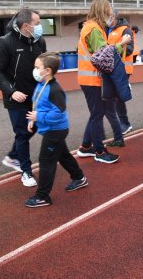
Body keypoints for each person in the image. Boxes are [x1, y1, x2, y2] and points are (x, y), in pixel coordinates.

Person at [0, 9, 47, 187]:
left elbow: (43, 66)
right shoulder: (4, 43)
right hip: (16, 97)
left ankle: (13, 156)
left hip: (36, 95)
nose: (40, 27)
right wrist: (11, 91)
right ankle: (26, 171)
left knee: (33, 127)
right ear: (25, 26)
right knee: (22, 132)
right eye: (37, 23)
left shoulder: (40, 41)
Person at [25, 53, 88, 207]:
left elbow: (58, 112)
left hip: (56, 131)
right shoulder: (42, 84)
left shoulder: (55, 90)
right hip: (50, 129)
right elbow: (39, 104)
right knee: (63, 155)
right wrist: (33, 120)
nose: (34, 70)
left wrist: (39, 117)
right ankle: (79, 177)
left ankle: (42, 196)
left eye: (37, 67)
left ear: (47, 70)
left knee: (46, 161)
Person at [76, 0, 131, 164]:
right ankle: (99, 151)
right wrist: (122, 43)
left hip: (90, 79)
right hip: (93, 80)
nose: (110, 14)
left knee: (95, 114)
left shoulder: (93, 27)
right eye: (108, 10)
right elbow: (104, 56)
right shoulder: (93, 29)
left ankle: (86, 147)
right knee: (97, 116)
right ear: (102, 11)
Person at [104, 9, 135, 141]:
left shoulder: (125, 30)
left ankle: (125, 123)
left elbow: (129, 49)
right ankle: (122, 123)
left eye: (108, 16)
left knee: (118, 97)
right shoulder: (105, 29)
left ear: (114, 17)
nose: (106, 19)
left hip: (122, 68)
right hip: (110, 67)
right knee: (113, 97)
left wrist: (113, 50)